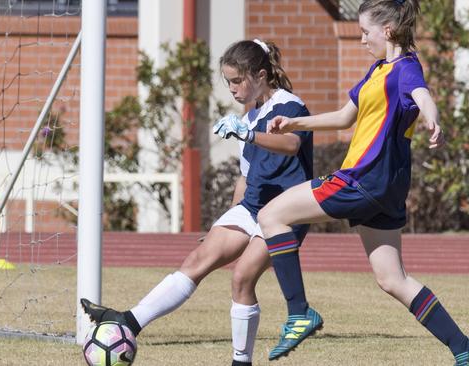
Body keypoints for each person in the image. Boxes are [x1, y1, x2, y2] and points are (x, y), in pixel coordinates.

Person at [257, 1, 469, 365]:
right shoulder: (377, 70)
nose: (361, 39)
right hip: (386, 188)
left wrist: (433, 120)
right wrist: (294, 124)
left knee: (272, 216)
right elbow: (343, 117)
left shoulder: (405, 68)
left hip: (362, 178)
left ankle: (299, 312)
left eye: (365, 32)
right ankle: (464, 348)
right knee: (392, 279)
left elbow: (423, 95)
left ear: (388, 31)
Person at [80, 39, 314, 366]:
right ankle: (127, 322)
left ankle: (240, 361)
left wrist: (248, 135)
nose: (231, 89)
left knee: (242, 277)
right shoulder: (248, 116)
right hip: (252, 207)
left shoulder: (290, 106)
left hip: (285, 212)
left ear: (261, 75)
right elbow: (246, 179)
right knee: (197, 259)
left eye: (237, 81)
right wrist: (227, 219)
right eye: (227, 81)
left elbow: (289, 143)